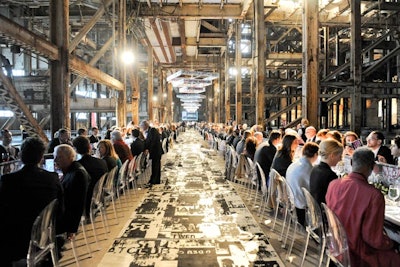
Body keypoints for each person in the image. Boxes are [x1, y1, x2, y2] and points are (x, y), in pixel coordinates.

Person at [326, 148, 400, 267]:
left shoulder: (333, 184)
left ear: (351, 163)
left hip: (337, 247)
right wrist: (391, 243)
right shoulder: (374, 195)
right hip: (359, 254)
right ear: (372, 166)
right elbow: (373, 239)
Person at [0, 137, 64, 266]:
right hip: (45, 235)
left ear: (20, 155)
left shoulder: (8, 180)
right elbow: (60, 209)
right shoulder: (52, 178)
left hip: (16, 238)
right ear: (41, 157)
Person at [53, 144, 89, 239]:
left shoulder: (77, 174)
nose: (55, 160)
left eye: (59, 157)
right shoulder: (74, 169)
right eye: (55, 157)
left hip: (65, 221)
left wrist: (71, 229)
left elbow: (76, 204)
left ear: (70, 157)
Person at [72, 136, 107, 218]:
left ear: (75, 150)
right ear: (89, 147)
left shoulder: (77, 166)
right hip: (100, 195)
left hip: (86, 200)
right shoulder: (102, 162)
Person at [285, 142, 319, 227]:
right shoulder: (309, 168)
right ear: (315, 155)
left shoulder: (295, 163)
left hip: (292, 200)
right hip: (300, 205)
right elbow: (313, 190)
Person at [310, 139, 343, 204]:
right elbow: (336, 200)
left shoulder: (315, 168)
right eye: (340, 156)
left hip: (316, 208)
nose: (341, 159)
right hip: (325, 211)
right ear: (332, 156)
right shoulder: (330, 175)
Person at [140, 120, 162, 186]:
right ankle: (154, 179)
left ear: (145, 126)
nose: (141, 128)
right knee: (154, 166)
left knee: (156, 166)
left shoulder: (152, 130)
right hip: (154, 151)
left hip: (156, 151)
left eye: (142, 126)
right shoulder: (150, 131)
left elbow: (152, 142)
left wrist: (148, 149)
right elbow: (148, 141)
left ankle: (155, 180)